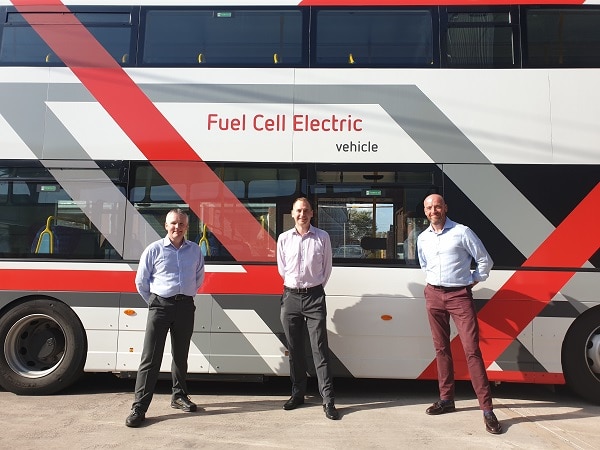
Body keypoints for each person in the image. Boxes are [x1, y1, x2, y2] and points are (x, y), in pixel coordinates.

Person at [416, 194, 502, 435]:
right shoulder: (422, 238)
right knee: (441, 349)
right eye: (429, 207)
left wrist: (472, 280)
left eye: (438, 206)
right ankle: (446, 399)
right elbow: (425, 265)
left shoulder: (462, 232)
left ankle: (487, 409)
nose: (434, 210)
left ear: (446, 207)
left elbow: (485, 260)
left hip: (459, 296)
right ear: (425, 211)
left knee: (471, 350)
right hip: (433, 295)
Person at [125, 209, 205, 428]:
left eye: (181, 224)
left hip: (185, 306)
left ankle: (179, 397)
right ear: (166, 225)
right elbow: (141, 281)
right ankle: (139, 407)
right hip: (160, 306)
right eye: (173, 223)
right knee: (150, 359)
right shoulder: (154, 250)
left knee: (181, 356)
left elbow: (198, 278)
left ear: (187, 227)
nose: (177, 227)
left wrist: (184, 295)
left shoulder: (195, 250)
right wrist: (154, 302)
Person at [277, 197, 339, 420]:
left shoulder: (322, 237)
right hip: (291, 296)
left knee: (319, 350)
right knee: (294, 350)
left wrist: (313, 288)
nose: (302, 214)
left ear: (312, 213)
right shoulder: (284, 239)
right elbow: (282, 269)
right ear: (292, 214)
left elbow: (327, 269)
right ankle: (297, 394)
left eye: (306, 210)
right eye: (298, 210)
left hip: (314, 297)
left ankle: (328, 400)